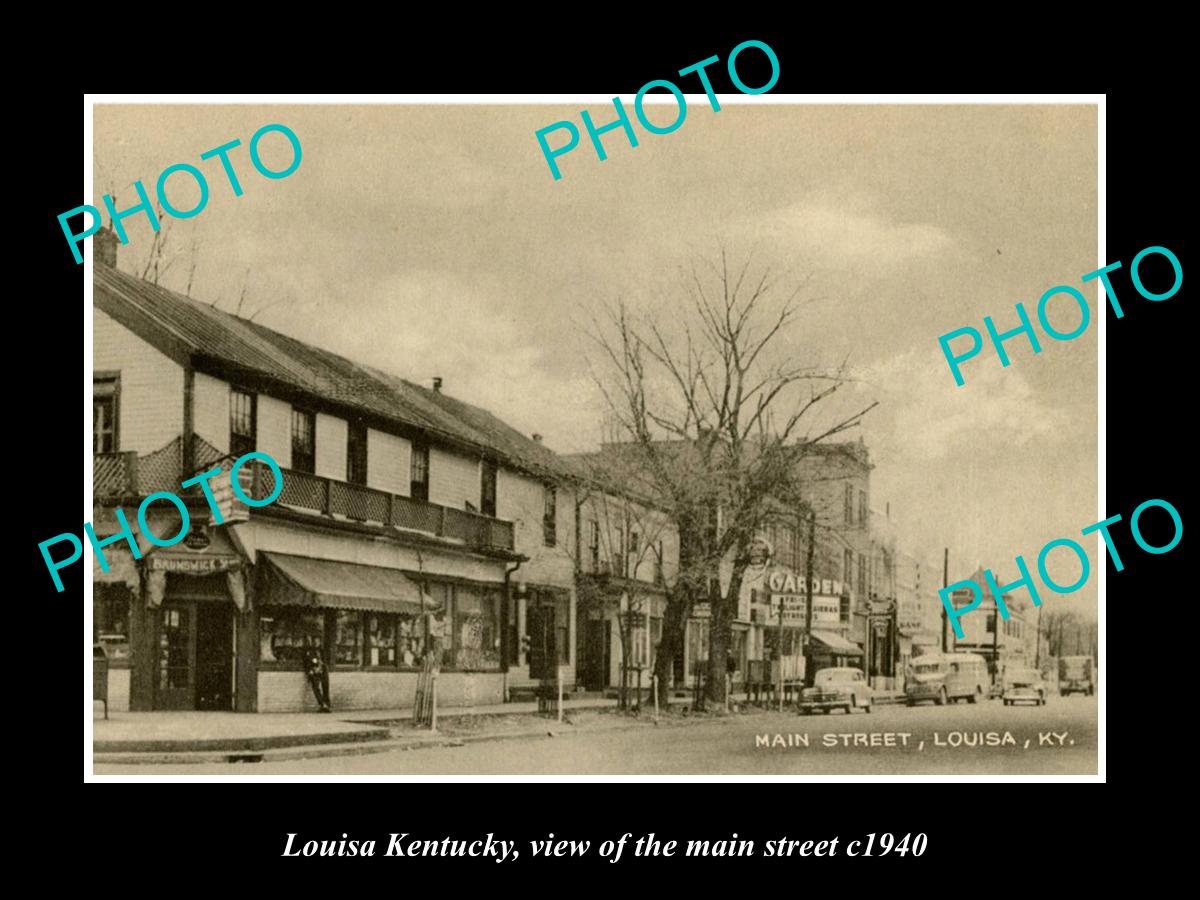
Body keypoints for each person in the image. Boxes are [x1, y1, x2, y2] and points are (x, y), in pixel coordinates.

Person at [301, 640, 332, 712]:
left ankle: (327, 705)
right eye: (315, 642)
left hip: (323, 670)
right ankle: (322, 704)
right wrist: (310, 670)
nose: (316, 643)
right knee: (316, 688)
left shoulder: (322, 651)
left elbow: (326, 660)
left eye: (318, 641)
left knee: (325, 687)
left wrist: (324, 667)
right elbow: (307, 662)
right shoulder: (310, 652)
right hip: (314, 671)